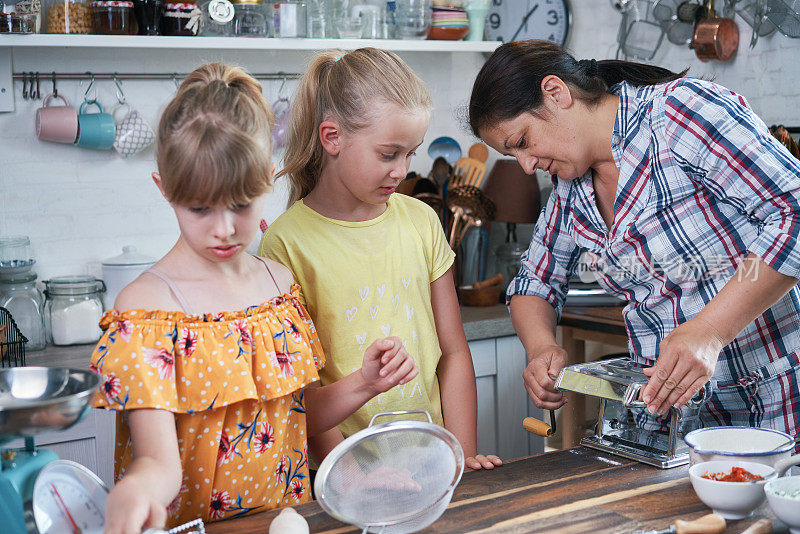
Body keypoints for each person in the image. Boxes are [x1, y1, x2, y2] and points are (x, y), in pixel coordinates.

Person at [89, 63, 419, 533]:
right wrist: (136, 491)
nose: (224, 229)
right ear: (165, 189)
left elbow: (300, 419)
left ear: (266, 179)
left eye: (242, 204)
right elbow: (158, 462)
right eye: (200, 208)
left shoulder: (279, 287)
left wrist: (364, 383)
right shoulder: (146, 311)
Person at [469, 40, 800, 441]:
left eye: (521, 141)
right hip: (667, 417)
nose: (526, 166)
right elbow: (534, 283)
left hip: (776, 399)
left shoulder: (680, 113)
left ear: (556, 93)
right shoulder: (570, 186)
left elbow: (793, 214)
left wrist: (710, 330)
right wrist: (541, 349)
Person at [259, 48, 503, 470]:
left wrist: (461, 456)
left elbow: (454, 352)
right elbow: (298, 392)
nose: (402, 171)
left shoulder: (422, 221)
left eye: (411, 154)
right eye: (388, 154)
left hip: (432, 464)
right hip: (341, 475)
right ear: (332, 137)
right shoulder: (286, 244)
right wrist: (353, 477)